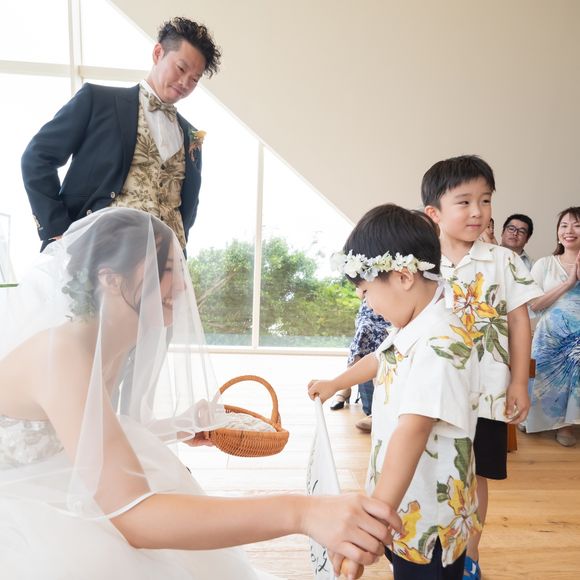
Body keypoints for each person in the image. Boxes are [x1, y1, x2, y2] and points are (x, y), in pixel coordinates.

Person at [0, 207, 400, 579]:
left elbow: (86, 434)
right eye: (167, 270)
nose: (182, 284)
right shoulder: (63, 353)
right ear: (110, 278)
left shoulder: (111, 343)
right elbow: (134, 518)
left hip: (57, 479)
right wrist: (303, 512)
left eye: (180, 269)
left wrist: (177, 426)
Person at [309, 204, 480, 580]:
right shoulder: (413, 323)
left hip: (428, 517)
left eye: (366, 291)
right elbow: (381, 357)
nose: (365, 302)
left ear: (403, 277)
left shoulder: (440, 343)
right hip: (399, 503)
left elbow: (412, 431)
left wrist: (368, 527)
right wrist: (337, 383)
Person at [421, 155, 543, 580]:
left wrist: (519, 383)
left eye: (486, 200)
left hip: (487, 393)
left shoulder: (504, 260)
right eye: (464, 202)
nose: (478, 211)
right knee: (428, 466)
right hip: (432, 390)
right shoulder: (421, 261)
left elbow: (520, 322)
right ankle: (426, 545)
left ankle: (470, 552)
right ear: (434, 212)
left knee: (476, 476)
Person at [22, 17, 218, 251]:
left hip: (165, 262)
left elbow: (188, 206)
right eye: (181, 68)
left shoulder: (191, 136)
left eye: (194, 79)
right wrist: (57, 229)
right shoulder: (97, 101)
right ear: (158, 53)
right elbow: (37, 158)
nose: (185, 82)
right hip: (98, 253)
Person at [525, 207, 580, 446]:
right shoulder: (544, 264)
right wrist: (569, 283)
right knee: (546, 379)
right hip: (550, 336)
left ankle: (567, 426)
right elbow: (534, 305)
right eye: (564, 225)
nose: (569, 231)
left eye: (577, 225)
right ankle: (539, 420)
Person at [330, 288, 390, 433]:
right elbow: (359, 291)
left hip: (390, 311)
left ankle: (375, 408)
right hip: (371, 308)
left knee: (379, 335)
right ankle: (346, 386)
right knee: (364, 328)